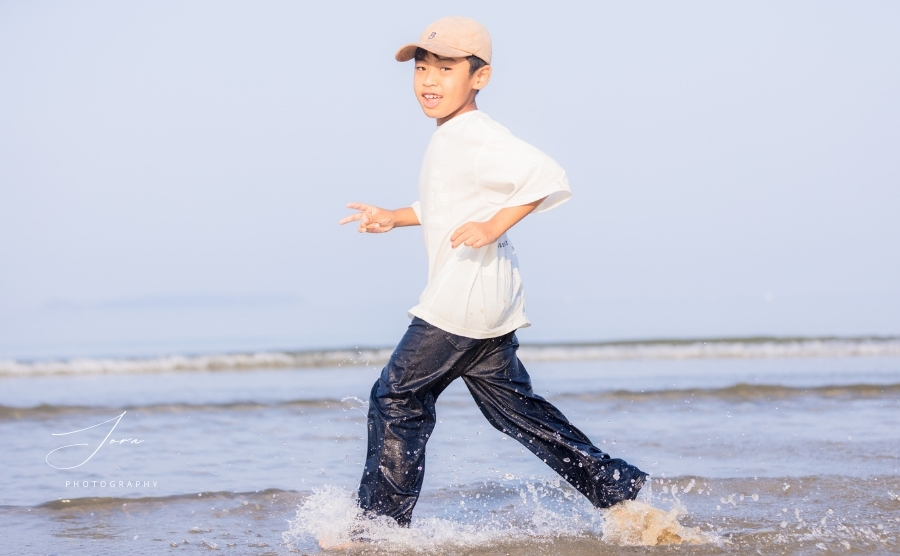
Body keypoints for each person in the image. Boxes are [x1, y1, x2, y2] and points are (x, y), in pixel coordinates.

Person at [339, 16, 647, 527]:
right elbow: (447, 200)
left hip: (464, 294)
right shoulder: (454, 135)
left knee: (397, 396)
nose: (429, 80)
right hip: (487, 296)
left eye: (445, 68)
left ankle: (376, 530)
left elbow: (545, 176)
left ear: (478, 77)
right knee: (514, 412)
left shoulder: (476, 134)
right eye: (421, 68)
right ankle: (614, 486)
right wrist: (395, 217)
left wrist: (492, 225)